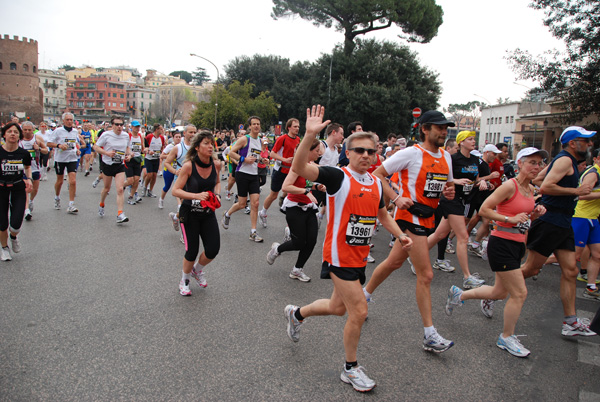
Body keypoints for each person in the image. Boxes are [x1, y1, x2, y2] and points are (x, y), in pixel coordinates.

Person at [284, 105, 412, 393]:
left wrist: (400, 235)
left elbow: (382, 216)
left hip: (359, 258)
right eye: (359, 150)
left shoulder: (377, 185)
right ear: (348, 152)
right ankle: (350, 369)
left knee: (336, 307)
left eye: (371, 151)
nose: (366, 155)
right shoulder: (338, 177)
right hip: (338, 256)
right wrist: (308, 135)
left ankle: (297, 314)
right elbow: (300, 168)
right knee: (359, 311)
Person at [363, 109, 457, 353]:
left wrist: (448, 192)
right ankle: (429, 334)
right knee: (426, 275)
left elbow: (445, 187)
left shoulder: (446, 157)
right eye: (438, 127)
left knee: (393, 262)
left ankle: (363, 295)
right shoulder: (411, 154)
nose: (444, 131)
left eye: (446, 127)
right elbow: (377, 174)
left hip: (428, 218)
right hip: (409, 217)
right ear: (425, 129)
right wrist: (396, 197)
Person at [445, 147, 548, 358]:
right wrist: (509, 220)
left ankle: (459, 294)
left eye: (540, 163)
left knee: (499, 293)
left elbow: (521, 218)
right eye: (532, 162)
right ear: (519, 163)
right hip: (501, 244)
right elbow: (484, 209)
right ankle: (506, 337)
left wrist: (534, 215)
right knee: (520, 293)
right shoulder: (510, 186)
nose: (537, 167)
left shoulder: (530, 190)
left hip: (517, 244)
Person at [521, 126, 596, 337]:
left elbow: (538, 180)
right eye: (586, 140)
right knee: (530, 269)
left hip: (563, 221)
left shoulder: (565, 161)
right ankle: (491, 294)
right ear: (573, 143)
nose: (590, 144)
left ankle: (570, 322)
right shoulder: (564, 160)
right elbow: (546, 187)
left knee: (571, 270)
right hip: (550, 220)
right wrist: (576, 191)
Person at [425, 130, 485, 289]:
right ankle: (467, 277)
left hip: (464, 200)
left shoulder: (475, 160)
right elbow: (441, 176)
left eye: (474, 139)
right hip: (451, 198)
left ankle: (415, 255)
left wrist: (483, 183)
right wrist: (457, 181)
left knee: (440, 234)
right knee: (463, 237)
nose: (473, 141)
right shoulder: (452, 159)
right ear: (461, 142)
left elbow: (475, 178)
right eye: (470, 139)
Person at [172, 131, 222, 296]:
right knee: (192, 251)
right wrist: (196, 196)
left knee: (213, 249)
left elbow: (217, 182)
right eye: (206, 143)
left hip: (207, 213)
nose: (210, 146)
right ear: (197, 146)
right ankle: (184, 280)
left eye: (211, 143)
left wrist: (218, 194)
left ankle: (197, 270)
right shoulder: (189, 166)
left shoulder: (216, 164)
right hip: (189, 214)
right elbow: (176, 191)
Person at [267, 138, 324, 282]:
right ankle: (277, 250)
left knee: (311, 241)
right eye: (317, 151)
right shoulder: (297, 166)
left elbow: (308, 183)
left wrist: (317, 187)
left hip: (309, 208)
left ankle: (297, 270)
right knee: (298, 243)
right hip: (294, 207)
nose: (319, 154)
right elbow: (286, 187)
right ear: (308, 151)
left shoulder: (312, 165)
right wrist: (306, 192)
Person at [221, 116, 266, 243]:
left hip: (254, 175)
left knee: (255, 203)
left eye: (258, 124)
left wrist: (262, 160)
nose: (256, 126)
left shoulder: (260, 141)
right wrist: (243, 159)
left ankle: (253, 232)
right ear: (250, 126)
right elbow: (231, 152)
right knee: (242, 204)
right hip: (242, 173)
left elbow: (255, 157)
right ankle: (227, 214)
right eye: (254, 124)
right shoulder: (244, 139)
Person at [258, 118, 301, 228]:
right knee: (273, 195)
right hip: (280, 169)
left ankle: (290, 224)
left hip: (292, 171)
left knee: (294, 195)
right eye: (295, 126)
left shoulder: (298, 140)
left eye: (298, 126)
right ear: (289, 127)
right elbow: (272, 154)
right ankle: (262, 212)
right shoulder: (283, 138)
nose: (297, 128)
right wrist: (284, 159)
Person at [0, 123, 32, 261]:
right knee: (2, 224)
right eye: (9, 131)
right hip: (1, 189)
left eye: (15, 132)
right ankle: (4, 248)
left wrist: (29, 178)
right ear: (4, 135)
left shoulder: (23, 153)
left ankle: (13, 237)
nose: (13, 134)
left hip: (18, 188)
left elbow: (27, 167)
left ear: (19, 136)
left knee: (16, 224)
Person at [572, 148, 600, 299]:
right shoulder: (593, 173)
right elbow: (581, 195)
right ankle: (535, 264)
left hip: (593, 219)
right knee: (573, 255)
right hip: (581, 217)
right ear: (597, 159)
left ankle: (590, 287)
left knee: (597, 254)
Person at [93, 116, 132, 224]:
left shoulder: (125, 136)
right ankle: (101, 204)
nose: (119, 127)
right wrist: (106, 153)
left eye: (121, 125)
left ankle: (120, 214)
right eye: (117, 124)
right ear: (112, 125)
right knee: (106, 188)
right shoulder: (106, 135)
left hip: (119, 164)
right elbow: (96, 147)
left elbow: (127, 148)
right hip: (107, 164)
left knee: (120, 189)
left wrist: (128, 155)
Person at [46, 112, 85, 214]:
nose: (69, 122)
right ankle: (57, 197)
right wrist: (59, 145)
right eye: (67, 120)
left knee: (72, 181)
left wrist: (77, 149)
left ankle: (71, 204)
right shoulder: (58, 131)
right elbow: (49, 143)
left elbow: (75, 143)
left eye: (71, 120)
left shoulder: (75, 131)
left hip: (72, 158)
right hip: (60, 159)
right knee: (60, 181)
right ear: (63, 121)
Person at [20, 121, 48, 221]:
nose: (27, 132)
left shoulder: (37, 139)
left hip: (35, 168)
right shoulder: (18, 140)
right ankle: (26, 210)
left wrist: (39, 148)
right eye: (25, 130)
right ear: (22, 130)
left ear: (33, 130)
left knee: (34, 189)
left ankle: (31, 201)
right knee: (26, 189)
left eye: (29, 130)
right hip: (22, 169)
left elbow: (46, 150)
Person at [158, 131, 182, 209]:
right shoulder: (170, 146)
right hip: (169, 169)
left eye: (179, 137)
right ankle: (161, 199)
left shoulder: (182, 146)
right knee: (167, 186)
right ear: (173, 138)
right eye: (176, 137)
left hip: (178, 170)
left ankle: (180, 205)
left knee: (178, 187)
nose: (178, 138)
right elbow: (162, 156)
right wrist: (171, 156)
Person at [124, 120, 145, 205]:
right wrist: (129, 154)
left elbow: (142, 149)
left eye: (138, 127)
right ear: (131, 127)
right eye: (135, 127)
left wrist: (146, 150)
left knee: (136, 180)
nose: (137, 128)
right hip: (129, 160)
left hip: (137, 160)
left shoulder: (140, 136)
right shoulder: (128, 136)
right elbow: (125, 147)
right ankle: (122, 186)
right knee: (130, 180)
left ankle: (131, 197)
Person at [143, 123, 166, 198]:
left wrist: (162, 154)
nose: (162, 130)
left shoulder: (162, 138)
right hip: (149, 158)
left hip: (156, 158)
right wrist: (149, 151)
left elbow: (162, 147)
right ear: (157, 130)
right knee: (149, 175)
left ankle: (150, 190)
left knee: (154, 175)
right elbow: (144, 147)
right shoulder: (149, 137)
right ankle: (145, 188)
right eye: (161, 129)